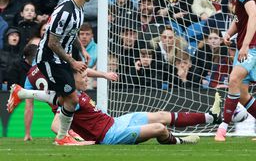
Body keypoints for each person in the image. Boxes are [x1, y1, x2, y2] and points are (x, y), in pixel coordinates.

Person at [8, 68, 225, 145]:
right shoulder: (68, 100)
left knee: (160, 115)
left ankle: (210, 117)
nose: (87, 78)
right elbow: (56, 124)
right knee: (159, 128)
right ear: (72, 79)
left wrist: (102, 74)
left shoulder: (74, 91)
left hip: (115, 122)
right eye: (83, 76)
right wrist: (76, 140)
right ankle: (178, 141)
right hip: (109, 136)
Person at [34, 0, 94, 145]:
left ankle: (21, 93)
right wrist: (72, 61)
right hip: (49, 59)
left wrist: (82, 49)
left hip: (61, 59)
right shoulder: (65, 11)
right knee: (72, 98)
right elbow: (53, 42)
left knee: (66, 97)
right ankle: (62, 137)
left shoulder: (78, 8)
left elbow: (71, 32)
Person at [215, 0, 256, 141]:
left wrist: (246, 44)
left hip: (251, 46)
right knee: (242, 94)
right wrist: (229, 33)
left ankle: (222, 129)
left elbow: (254, 15)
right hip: (244, 46)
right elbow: (241, 19)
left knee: (233, 80)